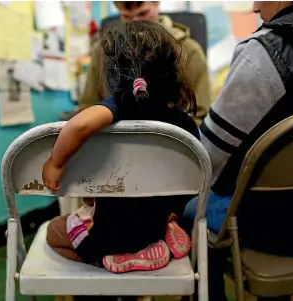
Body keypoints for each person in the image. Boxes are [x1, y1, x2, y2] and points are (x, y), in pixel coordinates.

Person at [182, 2, 293, 301]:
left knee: (187, 204)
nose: (254, 7)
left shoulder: (267, 52)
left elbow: (205, 163)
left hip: (272, 231)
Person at [43, 21, 199, 275]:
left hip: (106, 235)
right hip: (153, 226)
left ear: (113, 76)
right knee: (153, 216)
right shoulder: (182, 124)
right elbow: (194, 172)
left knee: (54, 231)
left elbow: (80, 125)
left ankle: (110, 258)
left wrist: (56, 163)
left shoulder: (115, 111)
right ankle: (158, 243)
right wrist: (174, 210)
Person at [80, 1, 211, 125]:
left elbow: (200, 115)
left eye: (143, 14)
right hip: (115, 139)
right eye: (127, 16)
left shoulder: (188, 50)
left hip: (172, 140)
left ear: (157, 3)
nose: (136, 23)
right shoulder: (104, 51)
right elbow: (86, 108)